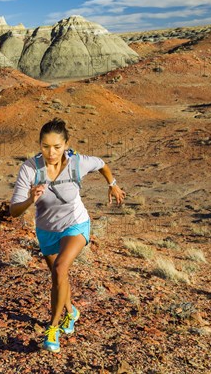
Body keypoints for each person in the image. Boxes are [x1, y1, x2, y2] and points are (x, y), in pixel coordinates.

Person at [9, 117, 126, 353]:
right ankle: (71, 313)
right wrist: (31, 199)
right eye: (45, 146)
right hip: (46, 230)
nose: (51, 152)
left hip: (76, 224)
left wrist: (112, 183)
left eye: (57, 147)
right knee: (57, 277)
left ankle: (53, 329)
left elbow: (102, 164)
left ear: (66, 144)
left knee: (61, 269)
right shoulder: (30, 169)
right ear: (39, 145)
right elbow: (13, 211)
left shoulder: (78, 163)